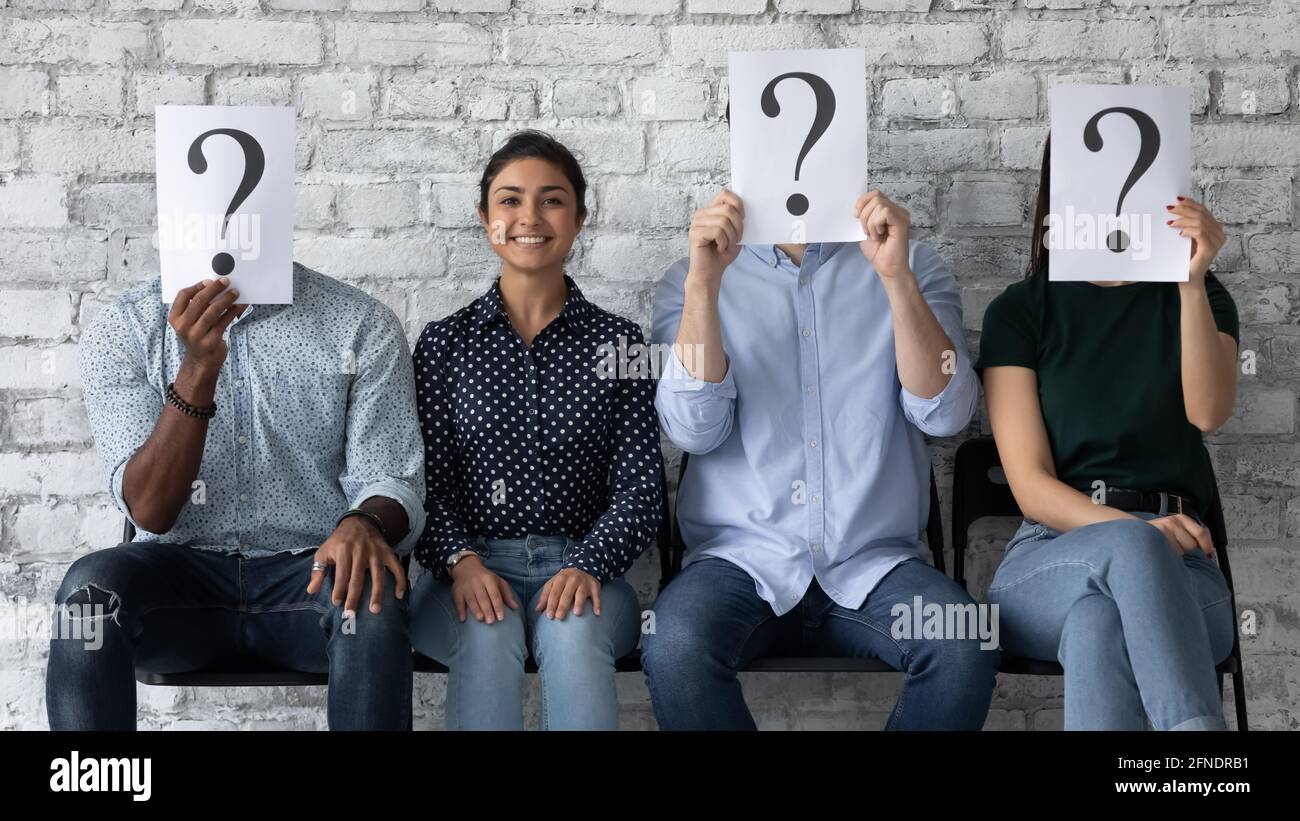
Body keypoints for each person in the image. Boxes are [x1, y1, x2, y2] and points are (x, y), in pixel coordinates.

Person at [641, 163, 999, 728]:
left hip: (875, 561)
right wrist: (705, 286)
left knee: (964, 644)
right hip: (738, 561)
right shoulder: (691, 275)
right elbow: (691, 429)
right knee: (674, 646)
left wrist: (895, 279)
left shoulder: (915, 264)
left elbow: (947, 416)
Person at [50, 263, 425, 730]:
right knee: (89, 594)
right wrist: (198, 369)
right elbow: (150, 509)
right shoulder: (126, 326)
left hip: (308, 583)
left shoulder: (360, 323)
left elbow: (390, 480)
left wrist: (363, 523)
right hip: (179, 592)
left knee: (369, 592)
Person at [977, 136, 1238, 730]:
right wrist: (1139, 536)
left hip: (1187, 571)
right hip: (1050, 556)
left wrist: (1191, 283)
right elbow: (1031, 488)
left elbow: (1209, 413)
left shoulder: (1203, 298)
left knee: (1098, 624)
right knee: (1131, 551)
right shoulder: (1021, 310)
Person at [408, 130, 662, 731]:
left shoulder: (620, 343)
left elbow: (641, 491)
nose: (529, 217)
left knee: (573, 634)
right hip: (462, 575)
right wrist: (463, 564)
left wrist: (587, 565)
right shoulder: (444, 344)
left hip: (585, 567)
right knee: (487, 632)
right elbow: (422, 486)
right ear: (484, 217)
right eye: (510, 200)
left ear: (579, 217)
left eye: (551, 200)